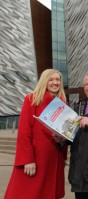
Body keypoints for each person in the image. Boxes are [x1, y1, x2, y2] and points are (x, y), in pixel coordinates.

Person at [4, 69, 68, 199]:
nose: (55, 82)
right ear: (44, 81)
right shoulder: (32, 99)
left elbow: (65, 133)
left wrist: (62, 141)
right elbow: (24, 132)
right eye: (51, 79)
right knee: (28, 194)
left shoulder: (62, 102)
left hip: (54, 157)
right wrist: (27, 160)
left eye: (58, 79)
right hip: (35, 159)